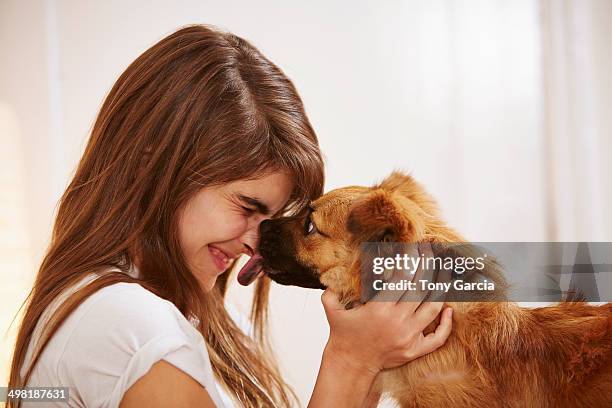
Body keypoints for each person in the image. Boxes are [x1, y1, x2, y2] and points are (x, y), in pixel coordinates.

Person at [7, 24, 453, 407]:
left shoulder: (189, 315)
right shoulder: (131, 324)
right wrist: (352, 360)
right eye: (246, 206)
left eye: (274, 216)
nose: (256, 241)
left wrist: (370, 356)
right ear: (152, 164)